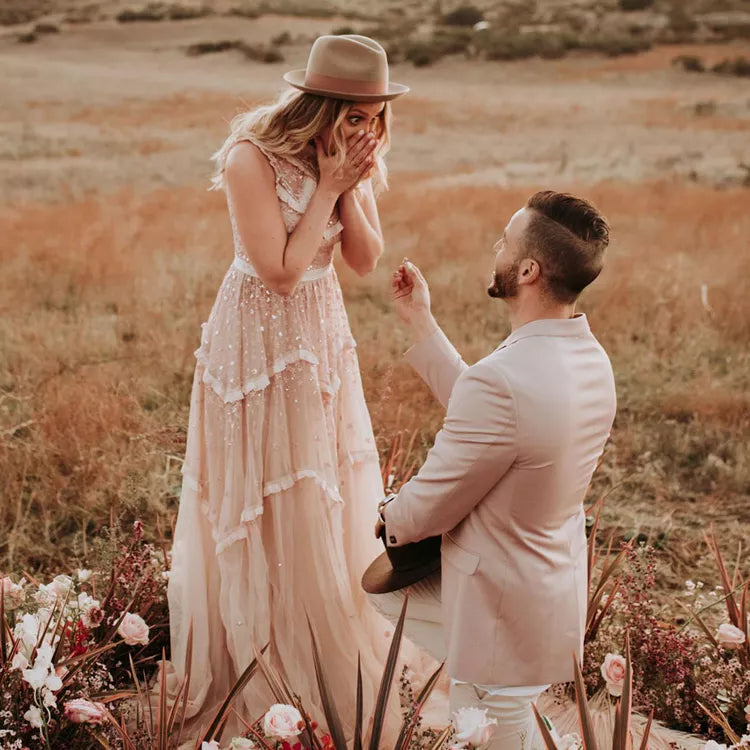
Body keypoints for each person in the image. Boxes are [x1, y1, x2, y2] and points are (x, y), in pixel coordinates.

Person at [165, 34, 409, 734]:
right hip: (256, 341)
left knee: (316, 485)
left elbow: (361, 260)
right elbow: (278, 270)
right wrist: (327, 190)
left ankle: (318, 633)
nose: (367, 130)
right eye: (355, 116)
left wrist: (354, 185)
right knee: (261, 490)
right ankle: (257, 657)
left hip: (318, 338)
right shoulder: (252, 157)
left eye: (375, 117)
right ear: (320, 104)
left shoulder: (352, 160)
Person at [364, 191, 617, 749]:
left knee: (490, 729)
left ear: (529, 270)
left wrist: (389, 517)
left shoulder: (504, 381)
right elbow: (502, 424)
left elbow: (432, 501)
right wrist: (422, 326)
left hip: (497, 616)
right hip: (549, 595)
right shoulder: (588, 359)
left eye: (505, 240)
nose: (495, 248)